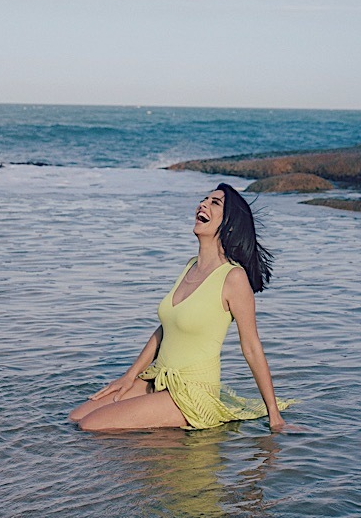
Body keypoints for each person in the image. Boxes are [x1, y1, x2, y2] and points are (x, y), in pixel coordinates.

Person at [69, 183, 288, 432]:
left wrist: (274, 417)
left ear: (228, 225)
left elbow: (251, 347)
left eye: (215, 203)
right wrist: (129, 377)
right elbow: (165, 329)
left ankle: (165, 450)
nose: (203, 204)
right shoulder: (191, 265)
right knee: (76, 417)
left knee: (92, 426)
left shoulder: (233, 278)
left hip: (193, 391)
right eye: (204, 199)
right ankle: (164, 444)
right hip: (160, 378)